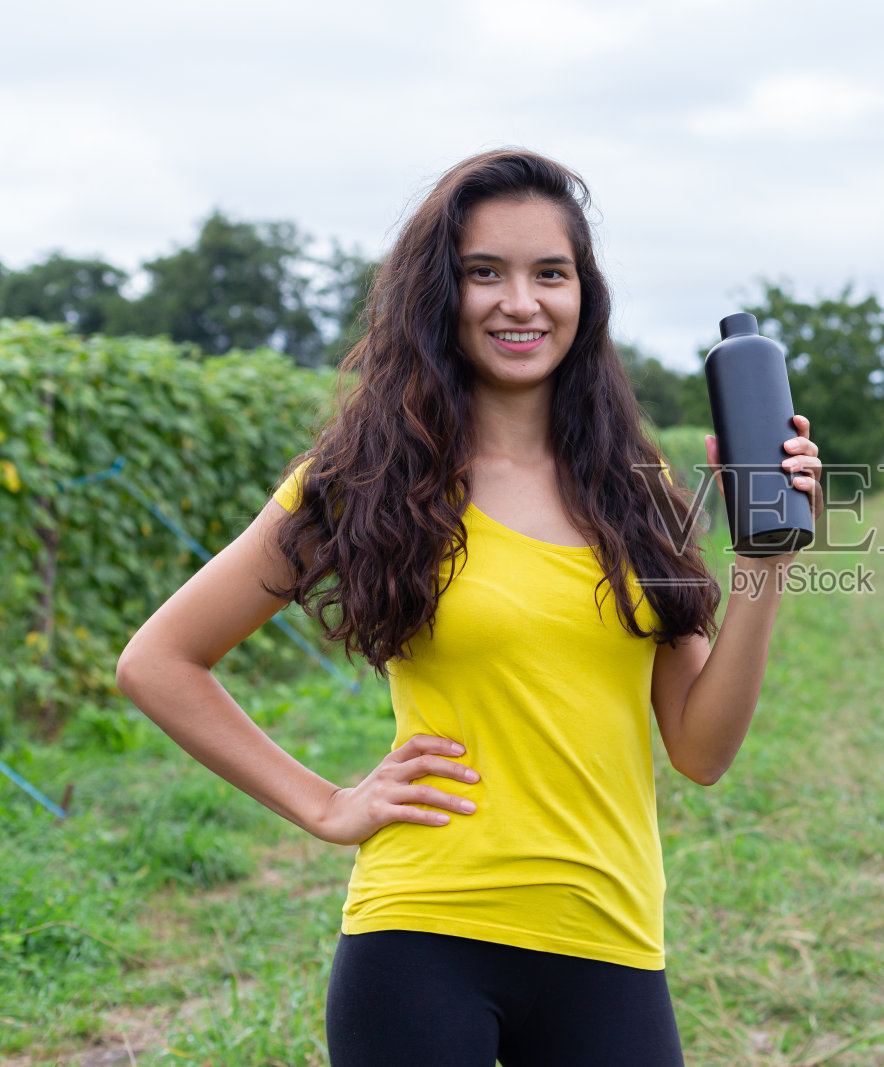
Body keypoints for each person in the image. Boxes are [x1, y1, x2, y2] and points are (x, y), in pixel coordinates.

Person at [115, 148, 822, 1066]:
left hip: (606, 934)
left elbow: (701, 748)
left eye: (549, 273)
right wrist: (328, 804)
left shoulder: (635, 488)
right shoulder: (360, 481)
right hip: (419, 937)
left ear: (584, 297)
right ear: (438, 294)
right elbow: (158, 661)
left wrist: (766, 558)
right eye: (484, 271)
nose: (519, 301)